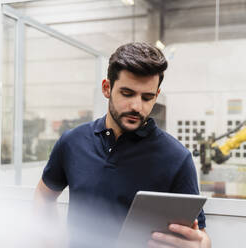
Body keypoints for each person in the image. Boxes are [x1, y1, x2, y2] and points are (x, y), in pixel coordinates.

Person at [34, 42, 211, 248]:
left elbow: (201, 236)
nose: (137, 106)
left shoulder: (176, 158)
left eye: (147, 97)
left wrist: (201, 245)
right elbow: (43, 195)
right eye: (127, 93)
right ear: (107, 88)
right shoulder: (73, 142)